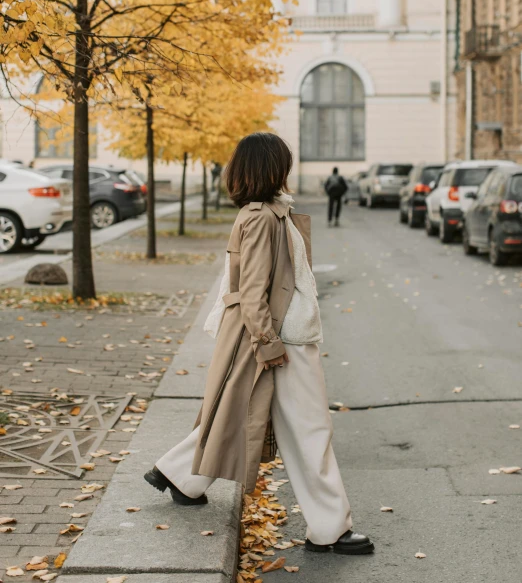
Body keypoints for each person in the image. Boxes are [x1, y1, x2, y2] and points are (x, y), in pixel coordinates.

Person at [144, 133, 374, 556]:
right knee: (309, 429)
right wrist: (269, 345)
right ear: (272, 168)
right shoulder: (262, 219)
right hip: (280, 338)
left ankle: (178, 474)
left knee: (235, 412)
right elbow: (253, 292)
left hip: (273, 335)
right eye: (284, 163)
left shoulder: (267, 213)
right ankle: (329, 529)